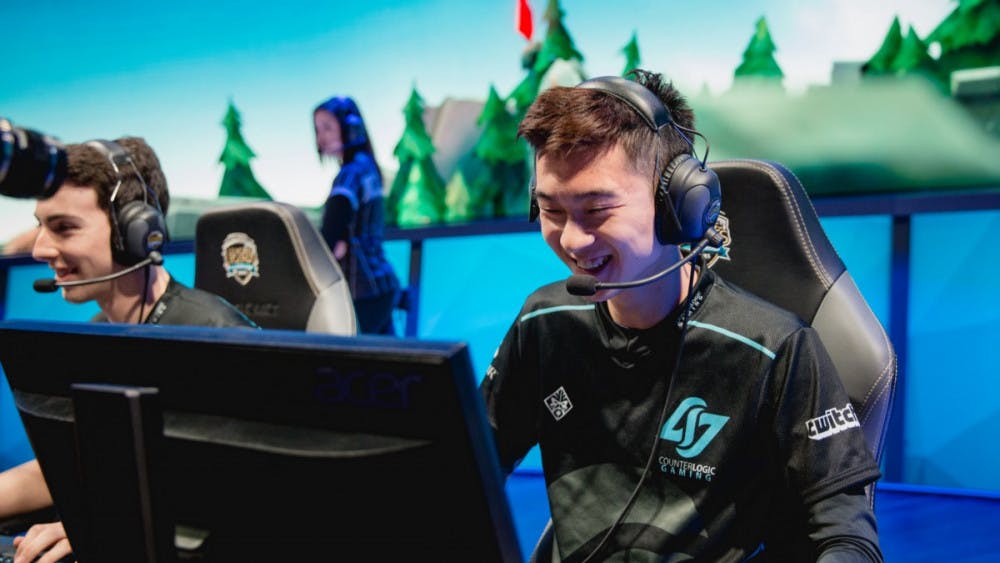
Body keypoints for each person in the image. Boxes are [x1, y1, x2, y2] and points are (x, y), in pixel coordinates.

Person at [479, 69, 884, 562]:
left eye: (597, 210)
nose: (572, 240)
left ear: (677, 205)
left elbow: (845, 538)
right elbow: (465, 471)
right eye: (553, 212)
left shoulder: (775, 350)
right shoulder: (544, 322)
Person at [0, 135, 259, 563]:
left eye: (63, 228)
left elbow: (243, 497)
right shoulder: (100, 335)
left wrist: (98, 525)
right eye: (40, 225)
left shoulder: (211, 338)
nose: (41, 248)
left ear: (135, 232)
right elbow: (73, 466)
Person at [313, 95, 400, 335]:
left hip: (361, 290)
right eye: (318, 129)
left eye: (328, 127)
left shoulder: (350, 175)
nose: (321, 137)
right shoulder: (367, 168)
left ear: (350, 127)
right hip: (380, 286)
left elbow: (331, 235)